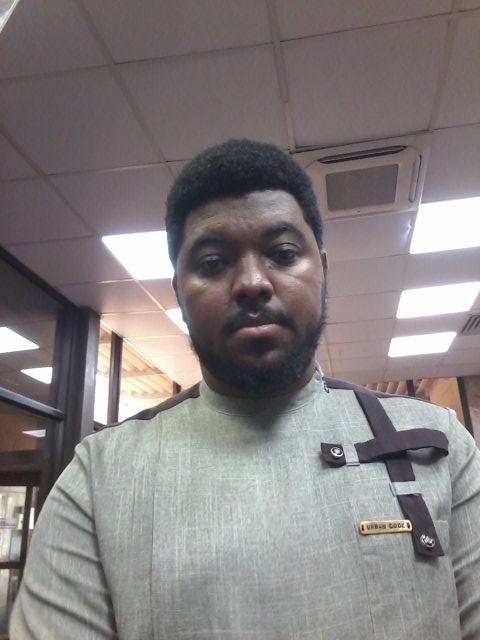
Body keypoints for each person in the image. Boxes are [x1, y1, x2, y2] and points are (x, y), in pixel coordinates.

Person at [10, 139, 480, 639]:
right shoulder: (99, 478)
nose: (252, 282)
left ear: (323, 270)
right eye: (213, 263)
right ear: (179, 292)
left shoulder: (437, 444)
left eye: (283, 253)